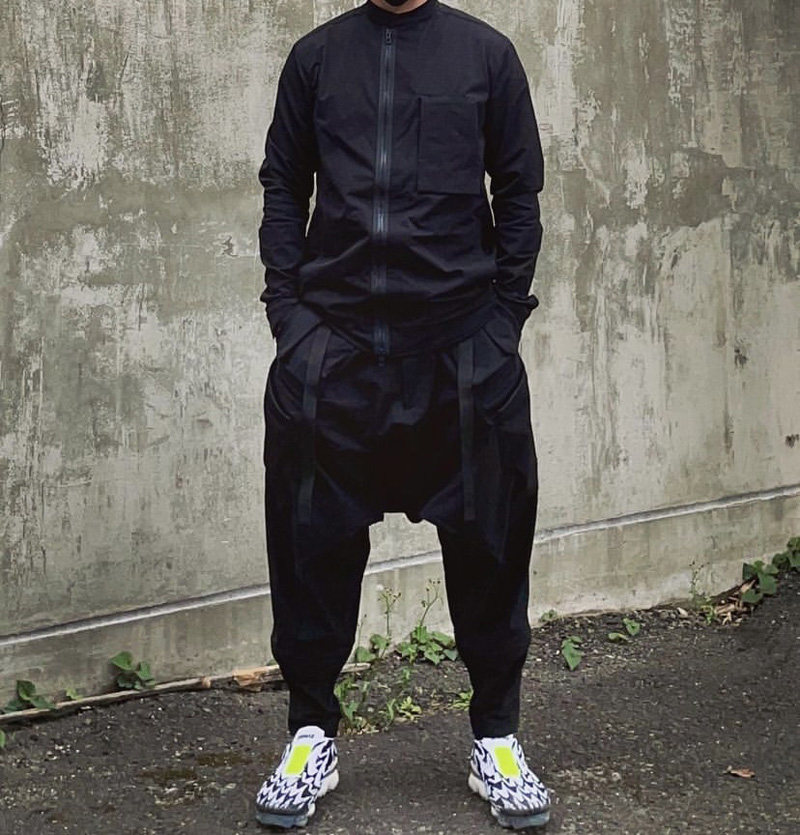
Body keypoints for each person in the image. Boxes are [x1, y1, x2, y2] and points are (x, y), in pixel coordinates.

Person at [253, 0, 550, 829]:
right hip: (335, 360)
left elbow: (519, 191)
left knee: (492, 549)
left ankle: (496, 736)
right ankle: (311, 731)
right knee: (310, 550)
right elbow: (283, 185)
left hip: (461, 358)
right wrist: (292, 323)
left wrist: (501, 324)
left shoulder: (486, 57)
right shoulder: (316, 59)